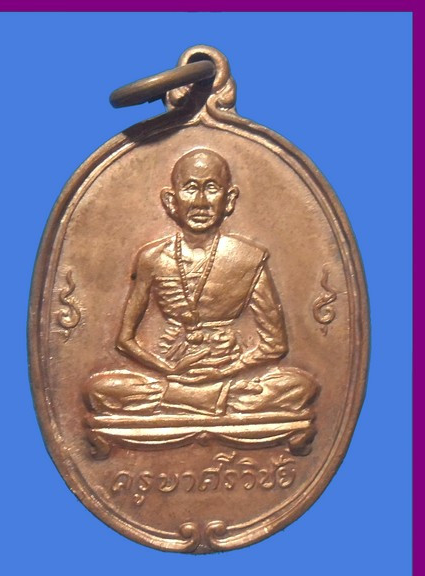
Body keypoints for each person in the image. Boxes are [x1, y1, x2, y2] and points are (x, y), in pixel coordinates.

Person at [85, 148, 318, 418]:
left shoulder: (248, 258)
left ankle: (189, 402)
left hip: (228, 376)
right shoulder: (152, 258)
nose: (200, 202)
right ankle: (201, 402)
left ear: (229, 199)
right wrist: (169, 369)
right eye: (190, 188)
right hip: (169, 376)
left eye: (211, 188)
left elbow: (275, 344)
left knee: (299, 386)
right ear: (171, 201)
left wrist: (224, 371)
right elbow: (125, 340)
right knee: (100, 390)